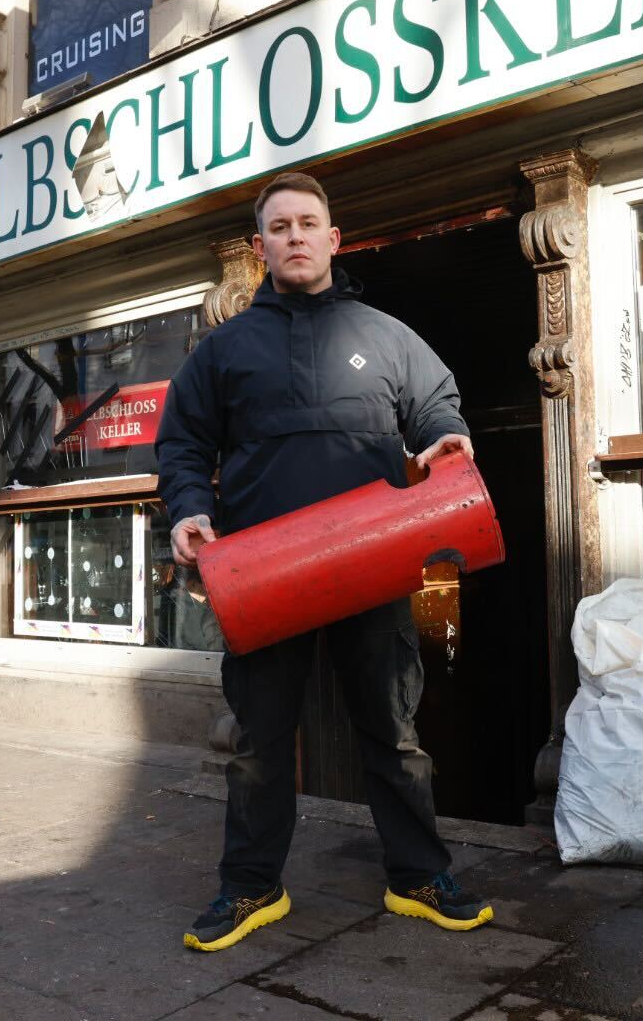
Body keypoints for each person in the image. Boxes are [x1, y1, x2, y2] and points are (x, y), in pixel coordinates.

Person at [155, 172, 492, 952]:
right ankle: (250, 887)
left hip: (373, 569)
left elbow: (437, 401)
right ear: (259, 247)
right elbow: (182, 444)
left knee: (394, 732)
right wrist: (190, 509)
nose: (297, 236)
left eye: (310, 224)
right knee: (257, 741)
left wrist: (444, 435)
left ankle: (416, 878)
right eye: (281, 227)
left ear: (335, 240)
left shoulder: (384, 334)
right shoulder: (224, 349)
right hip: (263, 577)